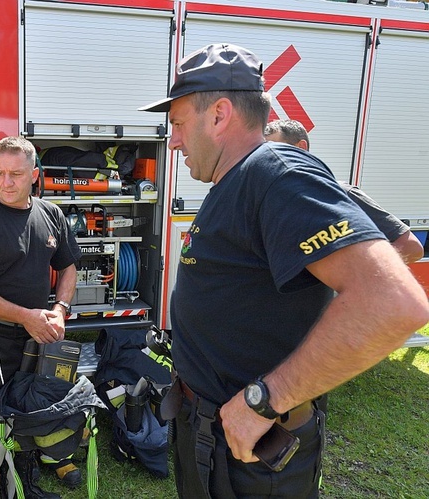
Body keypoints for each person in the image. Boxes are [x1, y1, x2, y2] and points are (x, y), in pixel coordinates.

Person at [140, 43, 429, 498]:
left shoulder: (276, 172)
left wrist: (263, 401)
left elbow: (392, 302)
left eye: (176, 124)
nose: (172, 141)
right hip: (213, 436)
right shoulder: (233, 180)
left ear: (219, 115)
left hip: (251, 450)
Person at [0, 136, 81, 499]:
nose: (7, 182)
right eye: (0, 173)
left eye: (17, 174)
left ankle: (25, 482)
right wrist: (26, 316)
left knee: (29, 412)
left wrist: (60, 310)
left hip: (38, 338)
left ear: (34, 175)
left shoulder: (50, 214)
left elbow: (67, 266)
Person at [264, 119, 424, 264]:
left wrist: (355, 272)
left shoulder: (340, 193)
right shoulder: (270, 200)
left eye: (276, 151)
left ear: (301, 147)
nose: (267, 160)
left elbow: (411, 248)